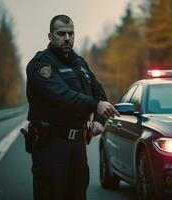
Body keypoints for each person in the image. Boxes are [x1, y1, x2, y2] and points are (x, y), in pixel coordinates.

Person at [25, 14, 119, 200]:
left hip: (78, 144)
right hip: (51, 146)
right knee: (51, 193)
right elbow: (62, 96)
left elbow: (98, 91)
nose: (67, 38)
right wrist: (95, 105)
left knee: (77, 193)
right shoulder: (41, 64)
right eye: (61, 33)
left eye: (71, 33)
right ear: (50, 37)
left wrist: (99, 121)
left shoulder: (79, 63)